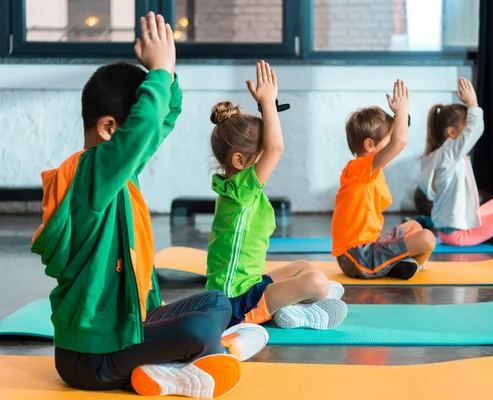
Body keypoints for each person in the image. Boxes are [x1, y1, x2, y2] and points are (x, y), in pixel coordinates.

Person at [31, 12, 266, 399]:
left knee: (216, 301)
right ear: (109, 129)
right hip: (91, 357)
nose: (142, 145)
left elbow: (157, 125)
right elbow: (142, 130)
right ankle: (206, 356)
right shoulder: (88, 177)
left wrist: (165, 77)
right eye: (133, 133)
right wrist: (159, 71)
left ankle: (174, 365)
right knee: (199, 330)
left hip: (128, 327)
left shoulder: (118, 172)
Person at [206, 61, 347, 330]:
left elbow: (271, 147)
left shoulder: (240, 189)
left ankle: (293, 306)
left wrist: (267, 106)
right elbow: (276, 148)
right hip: (233, 306)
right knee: (317, 281)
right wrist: (268, 103)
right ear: (239, 160)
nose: (266, 165)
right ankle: (301, 310)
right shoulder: (241, 189)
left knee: (304, 266)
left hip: (248, 287)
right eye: (260, 158)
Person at [331, 80, 436, 280]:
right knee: (427, 238)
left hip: (371, 244)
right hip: (357, 256)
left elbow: (396, 141)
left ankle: (398, 265)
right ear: (370, 145)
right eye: (387, 141)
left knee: (414, 226)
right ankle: (407, 264)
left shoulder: (371, 172)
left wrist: (399, 118)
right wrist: (402, 111)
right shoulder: (360, 168)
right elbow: (399, 142)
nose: (391, 148)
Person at [419, 77, 493, 247]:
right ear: (451, 132)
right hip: (458, 234)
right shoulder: (449, 152)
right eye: (464, 128)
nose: (467, 135)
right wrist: (472, 103)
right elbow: (476, 128)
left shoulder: (444, 153)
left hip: (453, 227)